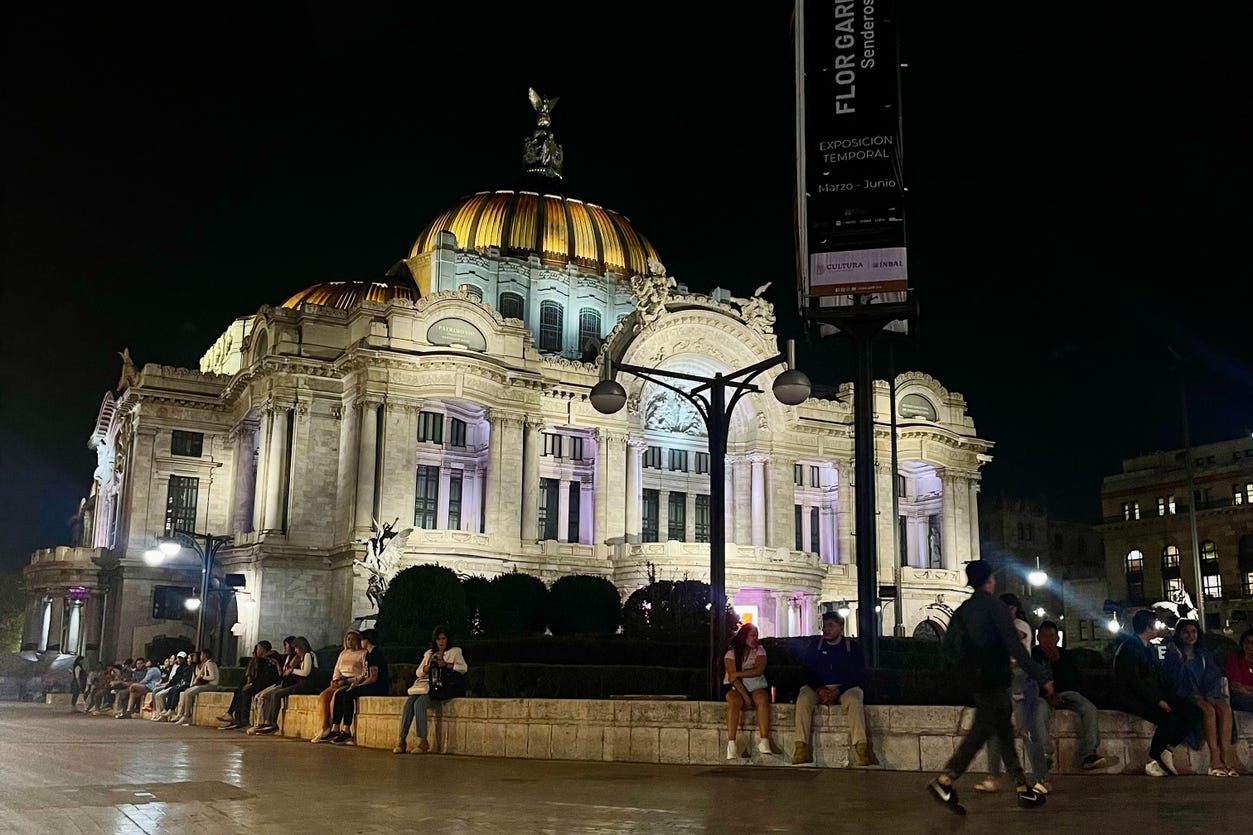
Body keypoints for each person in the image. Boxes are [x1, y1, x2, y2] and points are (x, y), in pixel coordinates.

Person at [927, 560, 1053, 814]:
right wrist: (1041, 676)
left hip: (974, 679)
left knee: (1004, 731)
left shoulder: (964, 609)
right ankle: (945, 780)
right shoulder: (994, 607)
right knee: (982, 730)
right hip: (993, 678)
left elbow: (949, 648)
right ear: (989, 580)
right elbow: (1014, 646)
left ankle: (1022, 788)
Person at [1113, 609, 1204, 777]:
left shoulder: (1147, 647)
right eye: (1154, 625)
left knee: (1194, 713)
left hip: (1152, 694)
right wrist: (1158, 701)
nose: (1157, 628)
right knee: (1168, 719)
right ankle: (1152, 759)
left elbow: (1155, 677)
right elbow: (1135, 681)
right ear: (1147, 627)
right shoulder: (1130, 648)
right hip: (1134, 698)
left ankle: (1167, 749)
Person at [979, 594, 1050, 794]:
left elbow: (1017, 639)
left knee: (1027, 729)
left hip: (1021, 682)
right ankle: (993, 776)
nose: (1008, 612)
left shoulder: (1021, 625)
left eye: (1011, 608)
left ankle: (1041, 778)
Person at [792, 611, 875, 767]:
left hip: (845, 688)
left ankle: (861, 748)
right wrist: (820, 689)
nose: (826, 629)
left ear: (841, 628)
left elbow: (857, 674)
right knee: (803, 699)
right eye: (825, 625)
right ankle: (800, 747)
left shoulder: (851, 647)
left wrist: (839, 690)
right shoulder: (815, 646)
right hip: (819, 687)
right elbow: (807, 672)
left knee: (855, 699)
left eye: (831, 625)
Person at [1163, 619, 1238, 776]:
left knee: (1224, 708)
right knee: (1208, 711)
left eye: (1193, 632)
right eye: (1186, 632)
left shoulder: (1203, 655)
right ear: (1179, 634)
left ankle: (1226, 756)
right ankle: (1215, 758)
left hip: (1206, 693)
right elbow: (1173, 680)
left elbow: (1213, 676)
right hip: (1186, 695)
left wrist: (1210, 694)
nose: (1191, 635)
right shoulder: (1174, 654)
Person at [1033, 620, 1108, 771]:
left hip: (1065, 693)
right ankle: (1045, 753)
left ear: (1057, 638)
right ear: (1039, 638)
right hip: (1042, 696)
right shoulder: (1032, 655)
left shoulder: (1065, 655)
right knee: (1039, 709)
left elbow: (1074, 681)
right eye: (1044, 636)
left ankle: (1088, 754)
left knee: (1088, 708)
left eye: (1051, 636)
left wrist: (1057, 662)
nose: (1048, 640)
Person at [395, 625, 468, 754]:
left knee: (420, 704)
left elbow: (463, 668)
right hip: (426, 686)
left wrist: (446, 665)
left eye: (443, 639)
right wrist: (427, 667)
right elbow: (418, 672)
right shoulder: (429, 653)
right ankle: (402, 739)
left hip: (440, 687)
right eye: (438, 639)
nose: (441, 642)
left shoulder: (455, 652)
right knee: (409, 703)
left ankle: (422, 741)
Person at [326, 628, 389, 745]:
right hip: (368, 682)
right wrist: (354, 682)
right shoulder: (370, 654)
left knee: (348, 694)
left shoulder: (375, 654)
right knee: (340, 694)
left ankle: (346, 729)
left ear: (366, 641)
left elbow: (373, 677)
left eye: (362, 640)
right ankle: (335, 728)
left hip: (377, 686)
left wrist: (357, 686)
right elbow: (366, 674)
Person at [723, 623, 774, 760]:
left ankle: (764, 740)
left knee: (762, 698)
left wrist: (739, 673)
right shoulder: (731, 653)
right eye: (752, 635)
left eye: (757, 635)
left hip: (755, 685)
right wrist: (746, 698)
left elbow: (758, 670)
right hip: (737, 688)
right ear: (743, 637)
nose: (756, 639)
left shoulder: (760, 650)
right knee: (733, 701)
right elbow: (732, 679)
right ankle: (731, 744)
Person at [253, 636, 319, 735]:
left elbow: (306, 672)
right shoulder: (301, 657)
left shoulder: (308, 655)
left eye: (296, 648)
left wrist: (293, 670)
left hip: (306, 685)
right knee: (274, 694)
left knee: (277, 694)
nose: (295, 650)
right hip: (300, 684)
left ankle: (273, 723)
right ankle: (269, 722)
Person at [312, 630, 365, 742]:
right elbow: (337, 668)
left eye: (352, 639)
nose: (350, 642)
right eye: (348, 639)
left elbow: (363, 673)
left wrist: (348, 681)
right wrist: (335, 680)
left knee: (336, 697)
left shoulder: (363, 653)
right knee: (323, 697)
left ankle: (334, 727)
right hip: (339, 680)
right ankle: (324, 726)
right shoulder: (343, 653)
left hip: (351, 681)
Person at [219, 642, 277, 730]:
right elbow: (250, 675)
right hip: (255, 683)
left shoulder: (269, 660)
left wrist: (251, 684)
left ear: (263, 649)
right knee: (239, 690)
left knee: (246, 692)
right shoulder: (256, 661)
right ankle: (234, 717)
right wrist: (247, 683)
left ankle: (244, 719)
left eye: (258, 648)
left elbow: (265, 678)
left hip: (265, 684)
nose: (256, 650)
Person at [173, 648, 220, 725]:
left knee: (189, 693)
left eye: (201, 655)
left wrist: (202, 676)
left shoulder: (209, 664)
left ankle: (187, 716)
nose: (200, 656)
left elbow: (212, 677)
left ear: (205, 655)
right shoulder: (205, 664)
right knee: (187, 691)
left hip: (211, 685)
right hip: (207, 685)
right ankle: (183, 714)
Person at [153, 651, 193, 721]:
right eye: (178, 658)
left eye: (181, 658)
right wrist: (166, 686)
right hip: (173, 685)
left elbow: (180, 680)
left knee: (161, 694)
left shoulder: (186, 668)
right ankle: (162, 713)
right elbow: (173, 679)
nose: (179, 660)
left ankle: (168, 711)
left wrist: (167, 686)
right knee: (158, 693)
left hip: (178, 685)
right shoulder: (178, 668)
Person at [1226, 628, 1253, 713]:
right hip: (1241, 697)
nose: (1249, 645)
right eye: (1246, 642)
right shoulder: (1235, 660)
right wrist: (1250, 693)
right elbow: (1236, 686)